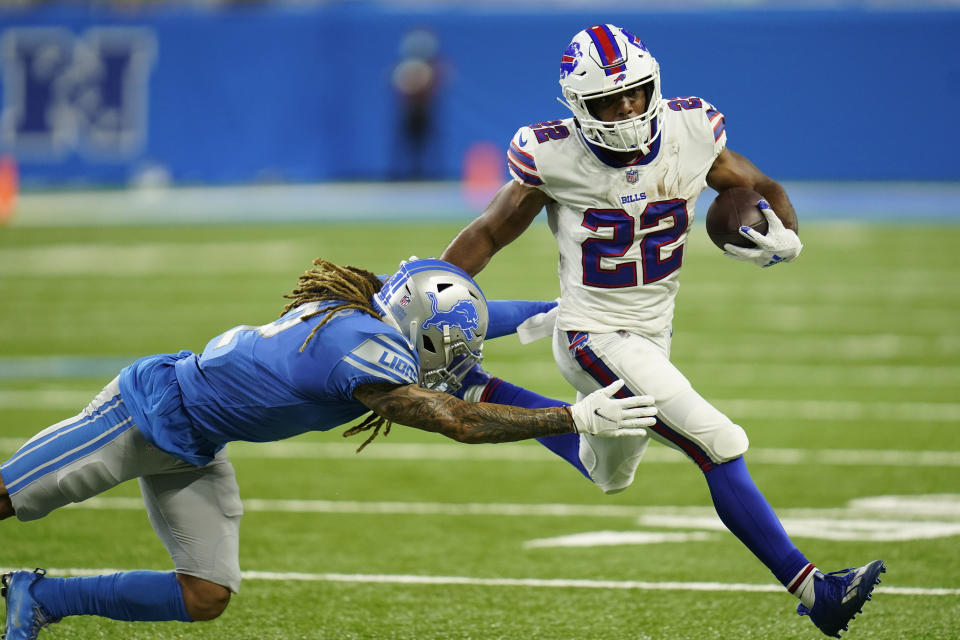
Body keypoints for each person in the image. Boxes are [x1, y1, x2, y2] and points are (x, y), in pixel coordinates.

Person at [441, 24, 884, 638]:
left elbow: (761, 188)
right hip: (593, 334)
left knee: (608, 472)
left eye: (635, 92)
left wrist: (784, 233)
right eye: (608, 100)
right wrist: (431, 292)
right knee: (718, 442)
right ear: (578, 108)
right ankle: (817, 591)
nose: (626, 109)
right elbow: (488, 233)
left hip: (653, 330)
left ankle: (473, 385)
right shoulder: (552, 155)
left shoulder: (691, 130)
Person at [0, 257, 657, 640]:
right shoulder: (359, 349)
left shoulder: (377, 309)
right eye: (448, 349)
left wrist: (562, 311)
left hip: (197, 443)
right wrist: (569, 416)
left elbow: (464, 314)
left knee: (206, 593)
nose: (453, 361)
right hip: (141, 415)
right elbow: (457, 420)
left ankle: (43, 596)